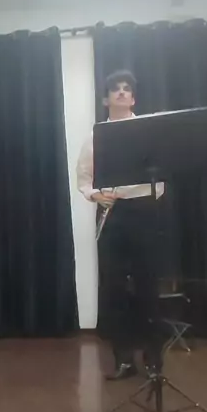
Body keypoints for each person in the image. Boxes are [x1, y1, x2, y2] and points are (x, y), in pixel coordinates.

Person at [76, 70, 170, 380]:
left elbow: (162, 175)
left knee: (147, 286)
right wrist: (95, 195)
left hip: (143, 212)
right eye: (115, 89)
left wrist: (150, 198)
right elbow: (84, 178)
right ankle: (124, 360)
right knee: (114, 289)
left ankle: (154, 359)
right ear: (106, 99)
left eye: (126, 88)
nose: (121, 92)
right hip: (113, 214)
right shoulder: (96, 136)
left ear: (133, 98)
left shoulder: (148, 132)